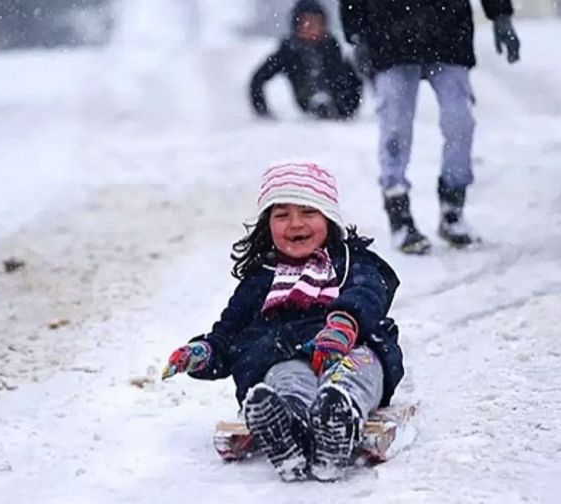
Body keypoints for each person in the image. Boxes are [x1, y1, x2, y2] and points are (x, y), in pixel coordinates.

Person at [161, 162, 404, 482]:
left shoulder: (349, 262)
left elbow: (368, 291)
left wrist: (344, 323)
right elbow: (229, 334)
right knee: (285, 377)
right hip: (283, 353)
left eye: (308, 212)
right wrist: (203, 352)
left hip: (348, 347)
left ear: (329, 219)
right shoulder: (260, 279)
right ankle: (287, 427)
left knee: (356, 371)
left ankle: (338, 418)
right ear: (267, 225)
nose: (295, 223)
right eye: (282, 215)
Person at [339, 0, 521, 253]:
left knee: (461, 122)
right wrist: (356, 34)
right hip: (388, 35)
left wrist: (500, 14)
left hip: (448, 32)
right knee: (395, 129)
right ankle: (398, 211)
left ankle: (453, 208)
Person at [249, 0, 362, 120]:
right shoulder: (289, 51)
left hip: (339, 106)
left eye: (316, 23)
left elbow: (350, 80)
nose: (311, 27)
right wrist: (262, 111)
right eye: (306, 22)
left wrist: (347, 107)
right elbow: (258, 79)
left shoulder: (331, 47)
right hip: (306, 100)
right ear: (297, 25)